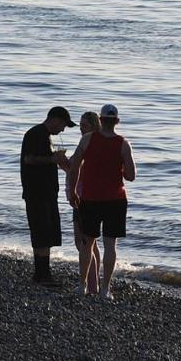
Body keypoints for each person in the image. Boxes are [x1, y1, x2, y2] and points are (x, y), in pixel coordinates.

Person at [67, 104, 136, 300]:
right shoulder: (123, 144)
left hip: (90, 198)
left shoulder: (87, 140)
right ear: (117, 121)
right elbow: (131, 176)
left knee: (87, 242)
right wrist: (118, 169)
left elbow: (74, 168)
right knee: (110, 245)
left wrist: (72, 192)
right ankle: (105, 289)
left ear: (101, 119)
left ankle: (83, 286)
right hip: (115, 199)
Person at [21, 106, 75, 285]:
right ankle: (43, 275)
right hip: (38, 192)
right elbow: (29, 159)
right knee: (43, 232)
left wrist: (55, 159)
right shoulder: (38, 134)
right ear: (55, 119)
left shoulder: (43, 135)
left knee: (42, 233)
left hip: (42, 192)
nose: (63, 129)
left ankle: (39, 274)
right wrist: (53, 159)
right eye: (63, 125)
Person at [66, 111, 102, 295]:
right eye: (80, 125)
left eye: (85, 125)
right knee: (91, 243)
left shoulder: (87, 144)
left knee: (83, 244)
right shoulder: (98, 144)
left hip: (82, 197)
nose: (81, 128)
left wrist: (64, 163)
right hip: (91, 196)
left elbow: (75, 166)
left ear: (94, 126)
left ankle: (90, 284)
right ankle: (94, 284)